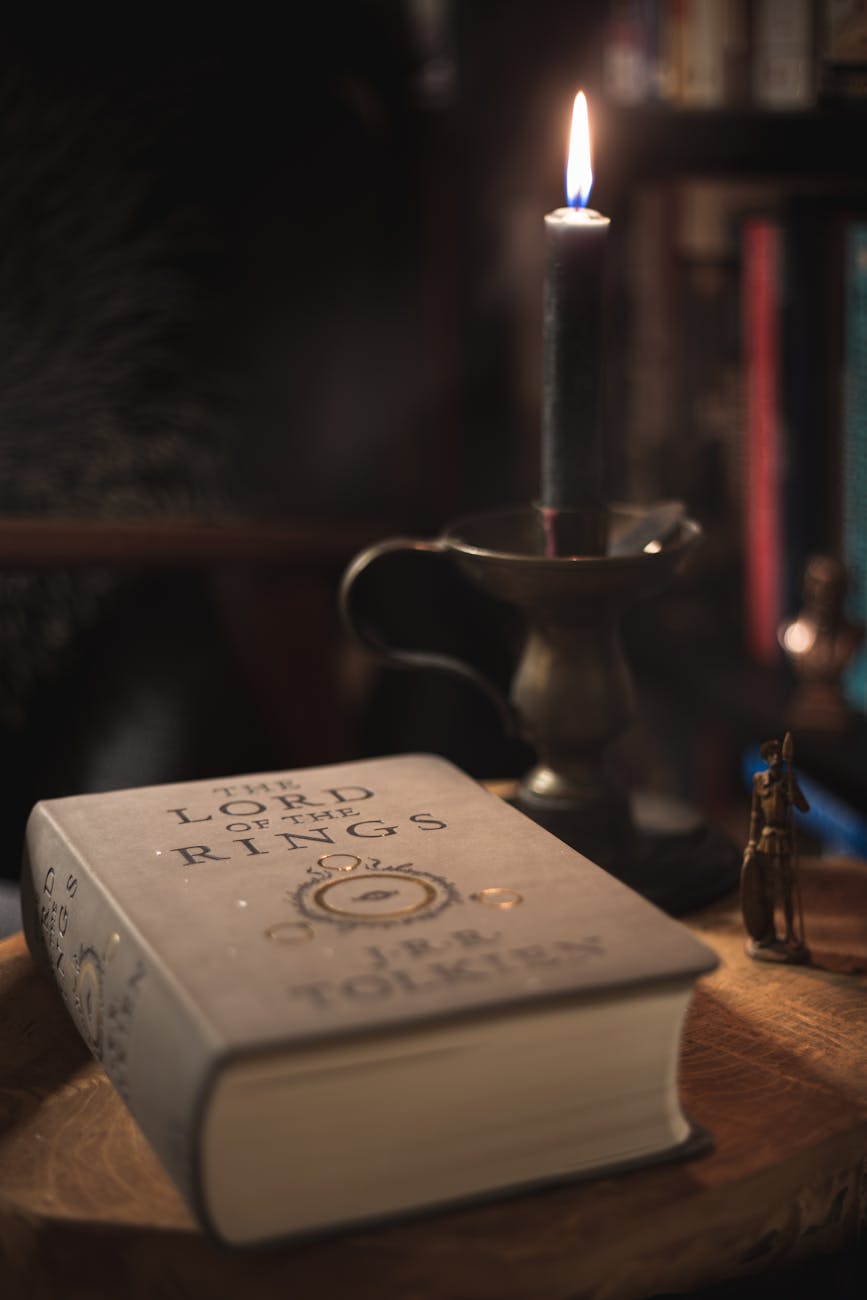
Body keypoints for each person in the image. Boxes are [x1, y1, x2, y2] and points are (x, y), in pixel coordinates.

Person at [741, 734, 809, 963]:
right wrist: (751, 841)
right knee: (766, 888)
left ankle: (790, 934)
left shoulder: (789, 779)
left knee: (786, 886)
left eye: (778, 755)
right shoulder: (759, 781)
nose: (776, 759)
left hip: (783, 839)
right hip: (766, 840)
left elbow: (804, 807)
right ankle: (767, 934)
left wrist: (793, 794)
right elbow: (755, 815)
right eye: (771, 755)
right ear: (766, 759)